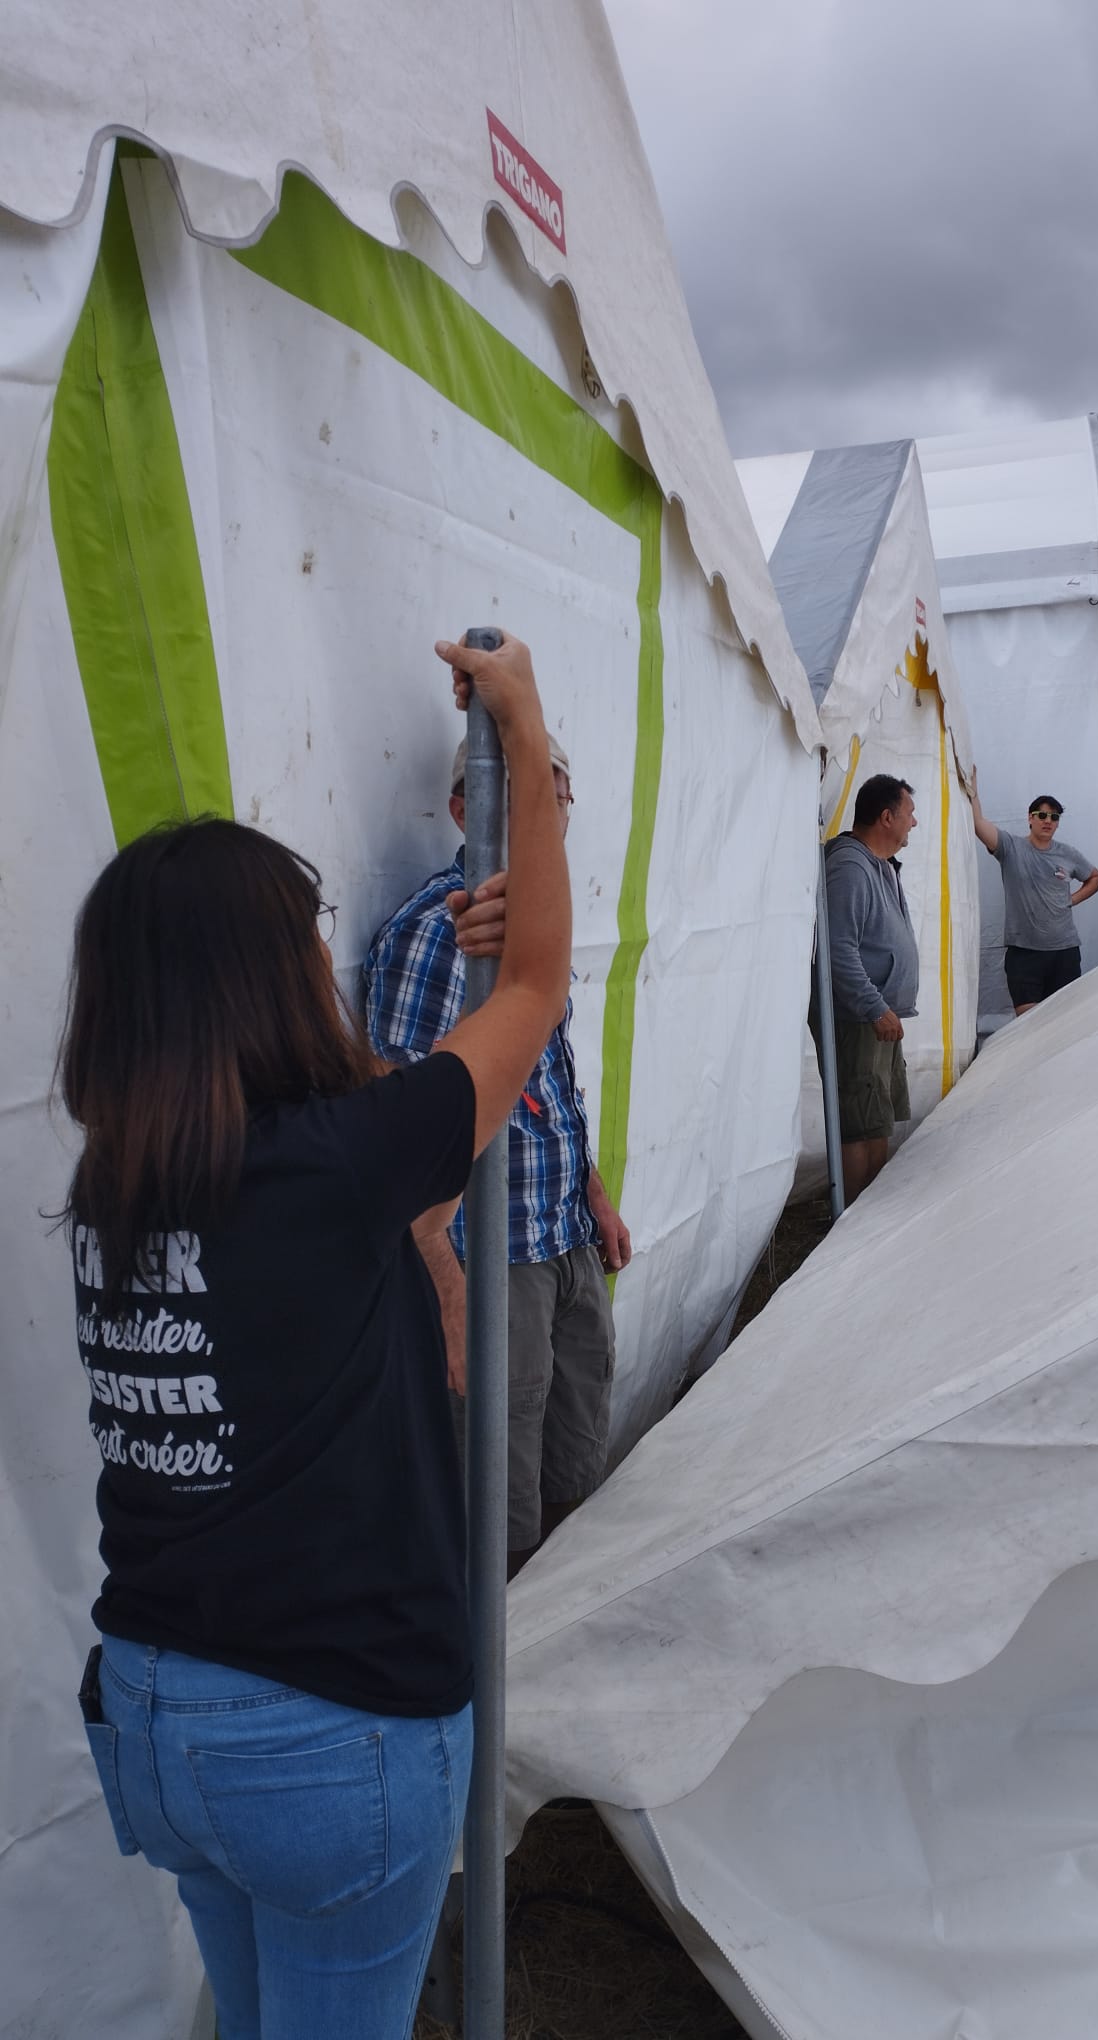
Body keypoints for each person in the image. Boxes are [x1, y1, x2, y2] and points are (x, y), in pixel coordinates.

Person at [62, 632, 569, 2040]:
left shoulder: (117, 1184)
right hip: (324, 1732)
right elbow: (534, 990)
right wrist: (524, 731)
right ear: (263, 979)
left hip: (157, 1713)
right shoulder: (340, 1162)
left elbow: (367, 1313)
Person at [365, 724, 630, 1581]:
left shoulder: (532, 927)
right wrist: (445, 1280)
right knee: (495, 1505)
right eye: (526, 800)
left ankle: (555, 1645)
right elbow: (395, 1130)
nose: (551, 821)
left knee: (575, 1465)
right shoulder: (437, 932)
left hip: (560, 1237)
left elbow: (545, 1083)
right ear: (460, 810)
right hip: (494, 1259)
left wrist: (591, 1191)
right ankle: (501, 1688)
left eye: (558, 802)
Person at [817, 772, 920, 1202]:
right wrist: (874, 1007)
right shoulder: (850, 867)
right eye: (909, 814)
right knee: (859, 1125)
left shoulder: (877, 865)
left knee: (876, 1119)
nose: (914, 823)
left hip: (875, 1018)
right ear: (886, 817)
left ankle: (870, 1221)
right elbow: (837, 949)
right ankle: (855, 1228)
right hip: (858, 1019)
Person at [969, 780, 1098, 1013]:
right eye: (1042, 815)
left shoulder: (1068, 853)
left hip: (1064, 951)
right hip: (1024, 953)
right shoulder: (1011, 847)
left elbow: (1096, 878)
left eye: (1054, 817)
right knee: (1028, 1023)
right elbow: (979, 824)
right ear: (1030, 818)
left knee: (1066, 1018)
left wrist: (1072, 899)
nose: (1048, 821)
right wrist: (972, 790)